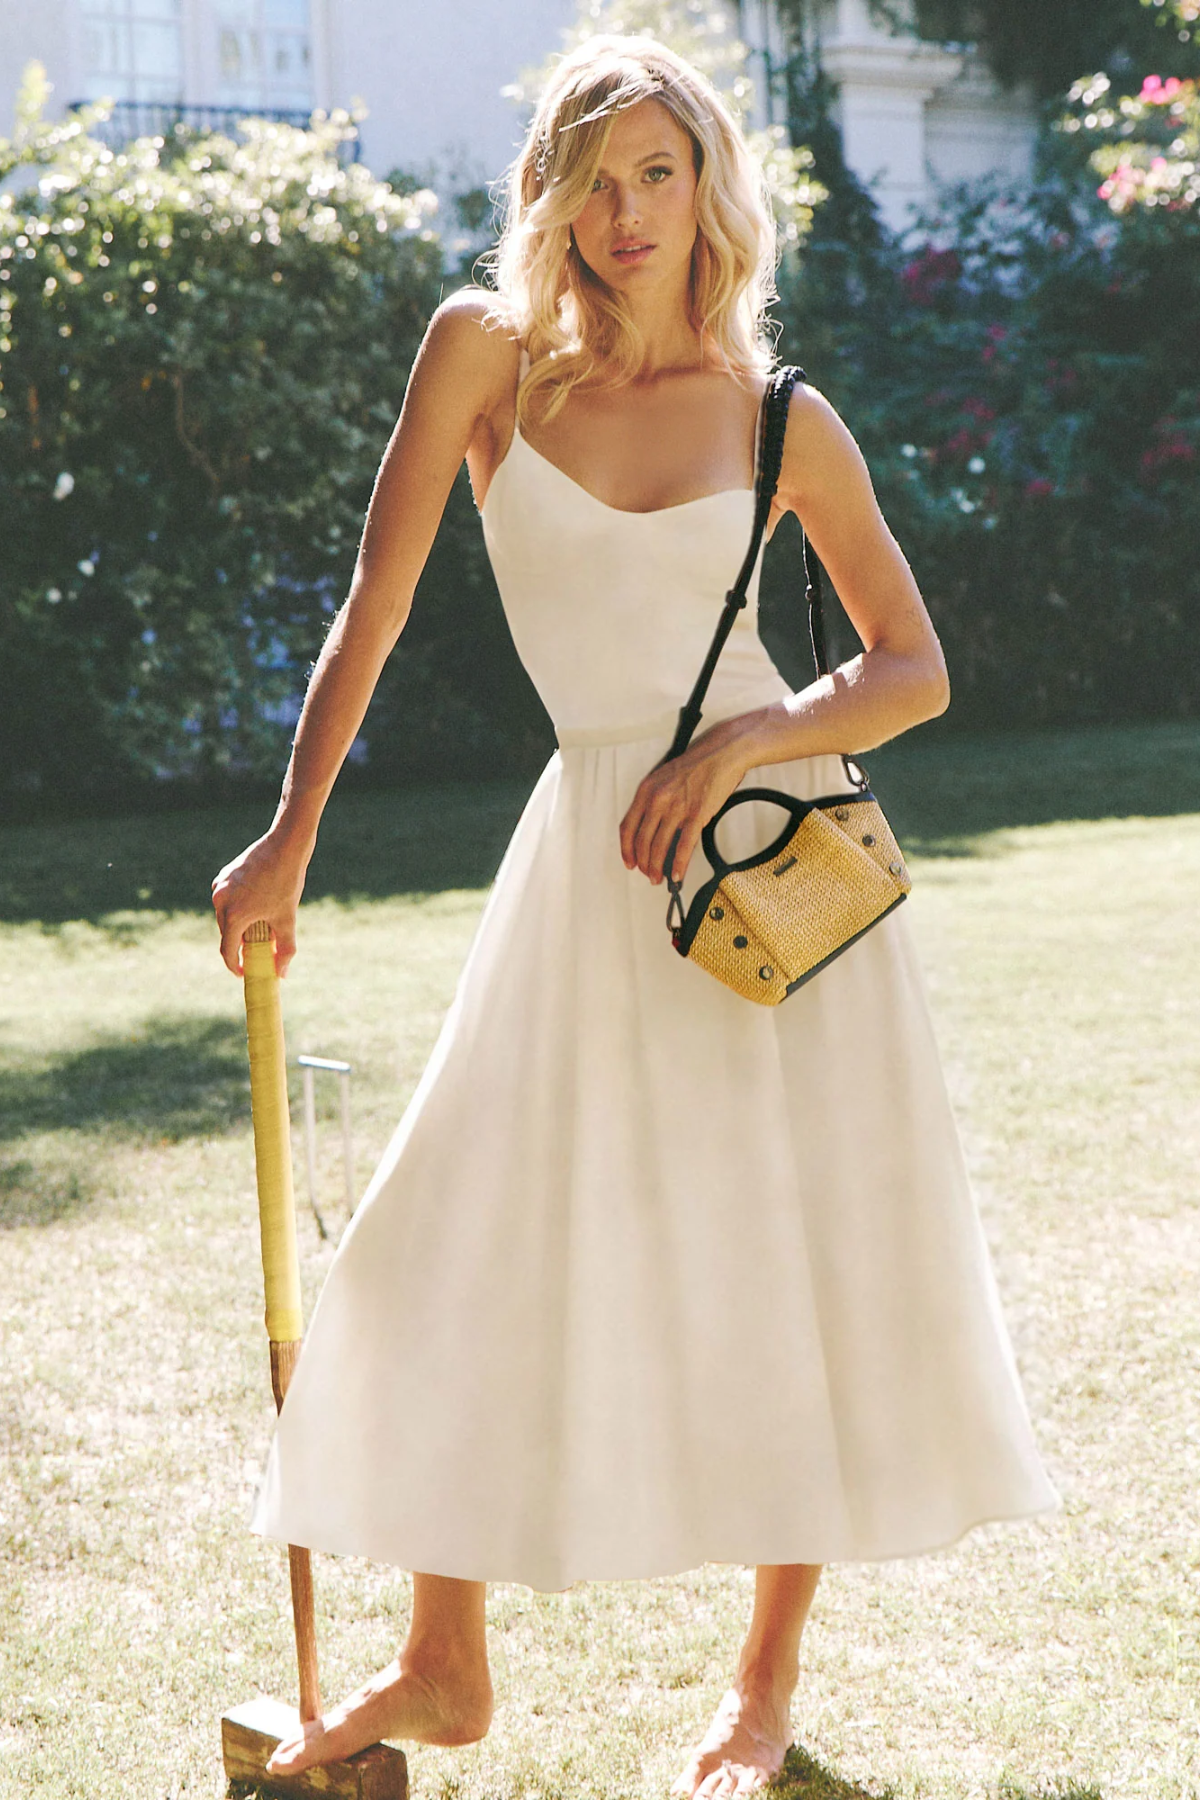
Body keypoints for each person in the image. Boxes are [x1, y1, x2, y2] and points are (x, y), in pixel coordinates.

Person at [211, 33, 1060, 1797]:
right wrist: (290, 837)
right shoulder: (482, 362)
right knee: (444, 1238)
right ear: (548, 193)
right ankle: (444, 1667)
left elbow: (913, 669)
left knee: (792, 1267)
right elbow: (368, 618)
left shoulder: (783, 420)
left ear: (709, 190)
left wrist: (757, 731)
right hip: (578, 869)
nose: (624, 213)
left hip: (770, 878)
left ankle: (759, 1698)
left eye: (658, 174)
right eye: (592, 177)